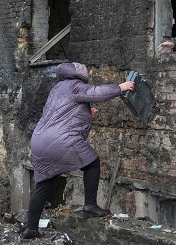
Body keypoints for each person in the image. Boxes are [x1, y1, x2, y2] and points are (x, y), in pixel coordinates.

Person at [21, 62, 135, 239]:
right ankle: (90, 205)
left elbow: (63, 113)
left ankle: (31, 229)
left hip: (39, 140)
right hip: (60, 140)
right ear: (79, 73)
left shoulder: (58, 88)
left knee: (44, 184)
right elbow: (97, 93)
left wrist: (88, 113)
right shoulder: (75, 85)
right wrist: (120, 87)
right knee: (92, 163)